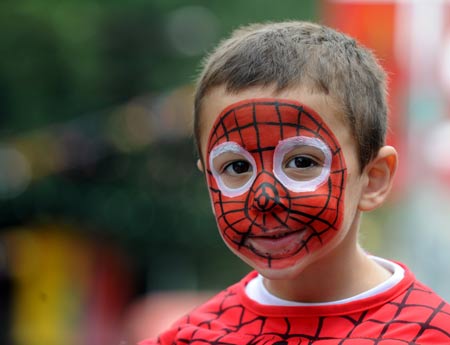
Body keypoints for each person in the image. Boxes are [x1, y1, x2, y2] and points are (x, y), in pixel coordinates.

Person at [140, 21, 450, 344]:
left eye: (302, 162)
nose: (263, 197)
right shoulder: (189, 338)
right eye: (235, 167)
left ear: (373, 179)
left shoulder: (432, 334)